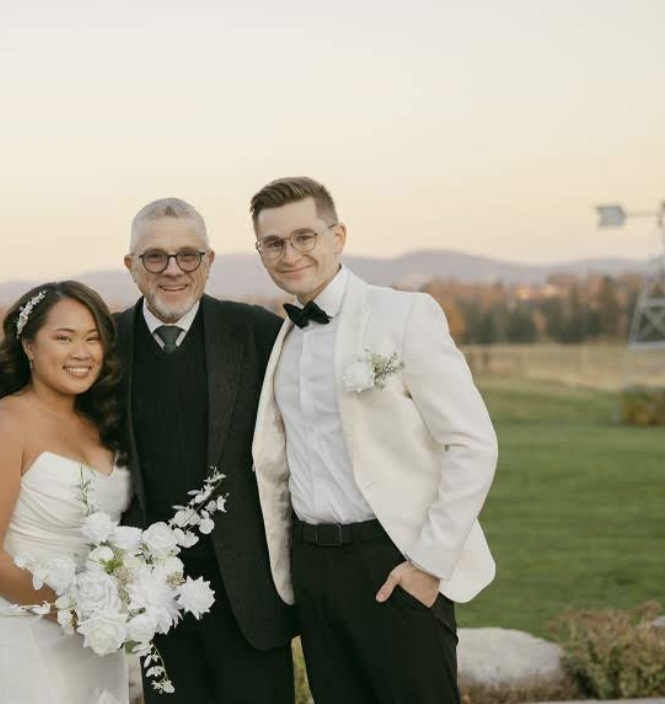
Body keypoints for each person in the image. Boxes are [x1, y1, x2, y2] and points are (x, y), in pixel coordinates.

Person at [249, 177, 499, 703]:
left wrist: (429, 564)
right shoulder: (284, 338)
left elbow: (473, 444)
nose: (289, 254)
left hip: (393, 560)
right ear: (260, 251)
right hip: (314, 569)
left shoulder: (403, 315)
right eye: (273, 243)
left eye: (304, 237)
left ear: (337, 236)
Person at [115, 198, 296, 704]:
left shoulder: (260, 334)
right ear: (130, 266)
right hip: (155, 595)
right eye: (155, 257)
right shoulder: (104, 344)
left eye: (188, 255)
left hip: (250, 597)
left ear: (209, 262)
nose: (173, 270)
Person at [0, 280, 132, 704]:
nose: (82, 352)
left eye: (92, 339)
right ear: (29, 347)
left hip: (96, 636)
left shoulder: (102, 422)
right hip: (22, 627)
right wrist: (77, 611)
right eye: (64, 337)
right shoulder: (3, 425)